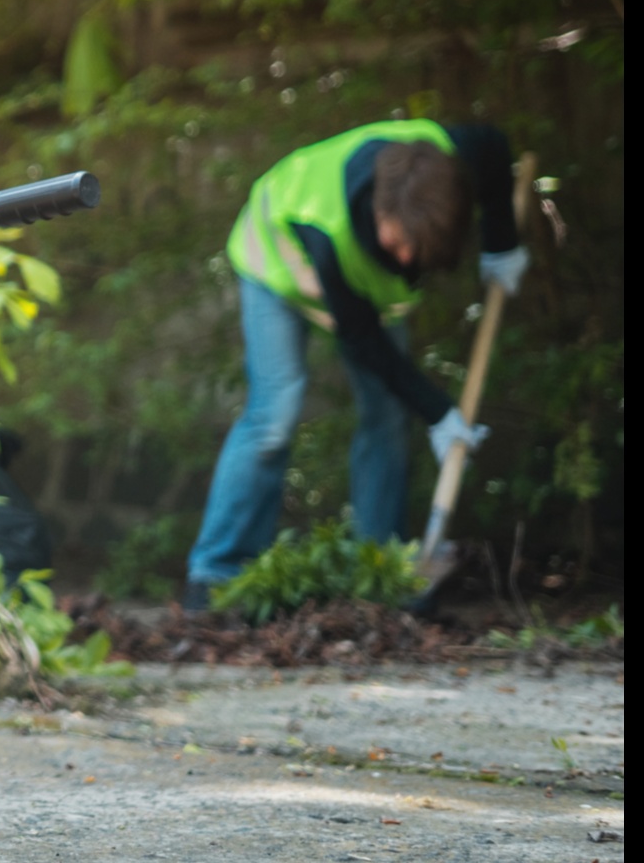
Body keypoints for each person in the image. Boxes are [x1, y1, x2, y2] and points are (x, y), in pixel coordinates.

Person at [183, 119, 527, 609]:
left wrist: (502, 244)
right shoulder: (327, 228)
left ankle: (380, 574)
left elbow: (495, 148)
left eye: (417, 249)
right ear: (379, 208)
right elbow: (363, 340)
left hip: (364, 293)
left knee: (386, 415)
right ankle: (215, 577)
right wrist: (439, 413)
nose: (406, 258)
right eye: (397, 244)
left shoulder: (450, 161)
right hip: (275, 260)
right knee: (273, 418)